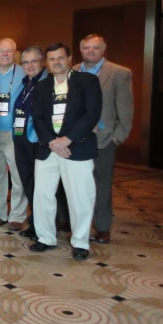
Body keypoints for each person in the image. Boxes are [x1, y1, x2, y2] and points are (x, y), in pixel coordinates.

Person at [30, 43, 102, 261]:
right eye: (52, 59)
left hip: (76, 148)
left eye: (60, 57)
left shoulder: (87, 81)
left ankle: (80, 242)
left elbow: (92, 114)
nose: (56, 62)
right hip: (49, 149)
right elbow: (38, 118)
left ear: (69, 58)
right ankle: (45, 238)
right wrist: (53, 141)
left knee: (80, 196)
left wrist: (67, 139)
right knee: (42, 195)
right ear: (47, 63)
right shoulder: (42, 87)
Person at [77, 34, 133, 245]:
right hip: (76, 139)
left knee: (102, 184)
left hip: (104, 139)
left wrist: (117, 138)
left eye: (95, 48)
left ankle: (102, 227)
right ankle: (74, 223)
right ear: (81, 50)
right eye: (87, 48)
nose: (91, 51)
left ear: (103, 50)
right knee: (77, 185)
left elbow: (126, 109)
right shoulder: (72, 71)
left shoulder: (119, 73)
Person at [0, 38, 28, 231]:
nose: (5, 55)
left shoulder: (24, 73)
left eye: (9, 51)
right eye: (2, 51)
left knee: (17, 175)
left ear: (15, 53)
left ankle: (17, 216)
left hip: (14, 131)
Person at [13, 46, 47, 240]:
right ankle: (35, 222)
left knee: (39, 185)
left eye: (33, 61)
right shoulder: (26, 83)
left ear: (42, 62)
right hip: (21, 138)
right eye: (25, 62)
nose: (30, 65)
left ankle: (42, 226)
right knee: (27, 182)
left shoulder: (46, 82)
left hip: (37, 141)